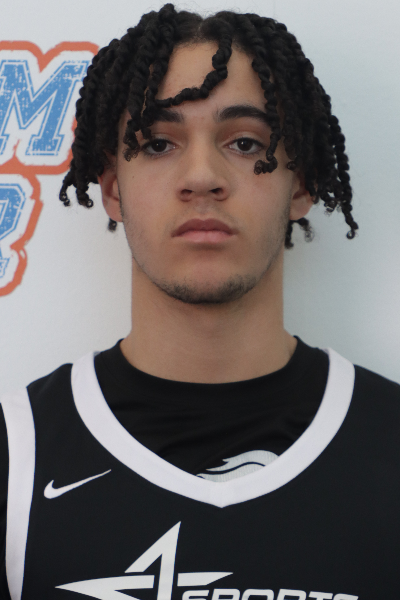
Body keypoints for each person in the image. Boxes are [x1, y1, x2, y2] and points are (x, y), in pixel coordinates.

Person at [0, 4, 399, 599]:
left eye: (244, 142)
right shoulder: (17, 452)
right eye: (159, 143)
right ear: (113, 190)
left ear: (302, 186)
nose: (202, 176)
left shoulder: (389, 442)